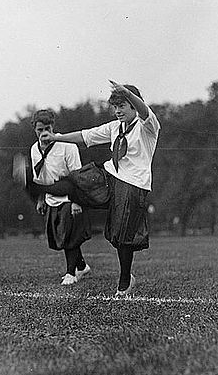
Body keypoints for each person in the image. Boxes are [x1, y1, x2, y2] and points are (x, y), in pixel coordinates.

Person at [45, 81, 160, 296]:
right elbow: (85, 136)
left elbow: (145, 112)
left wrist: (128, 93)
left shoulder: (148, 127)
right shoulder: (115, 127)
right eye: (115, 107)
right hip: (110, 176)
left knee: (121, 235)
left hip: (133, 184)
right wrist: (57, 138)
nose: (117, 111)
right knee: (77, 180)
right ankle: (51, 194)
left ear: (134, 106)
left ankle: (125, 279)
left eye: (122, 106)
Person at [30, 109, 92, 285]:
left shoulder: (67, 146)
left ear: (53, 127)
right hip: (51, 197)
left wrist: (76, 202)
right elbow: (40, 178)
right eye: (40, 130)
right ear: (34, 129)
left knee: (69, 236)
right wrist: (41, 199)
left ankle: (70, 273)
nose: (44, 133)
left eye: (47, 129)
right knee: (61, 237)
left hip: (69, 197)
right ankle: (82, 267)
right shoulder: (34, 150)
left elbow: (77, 176)